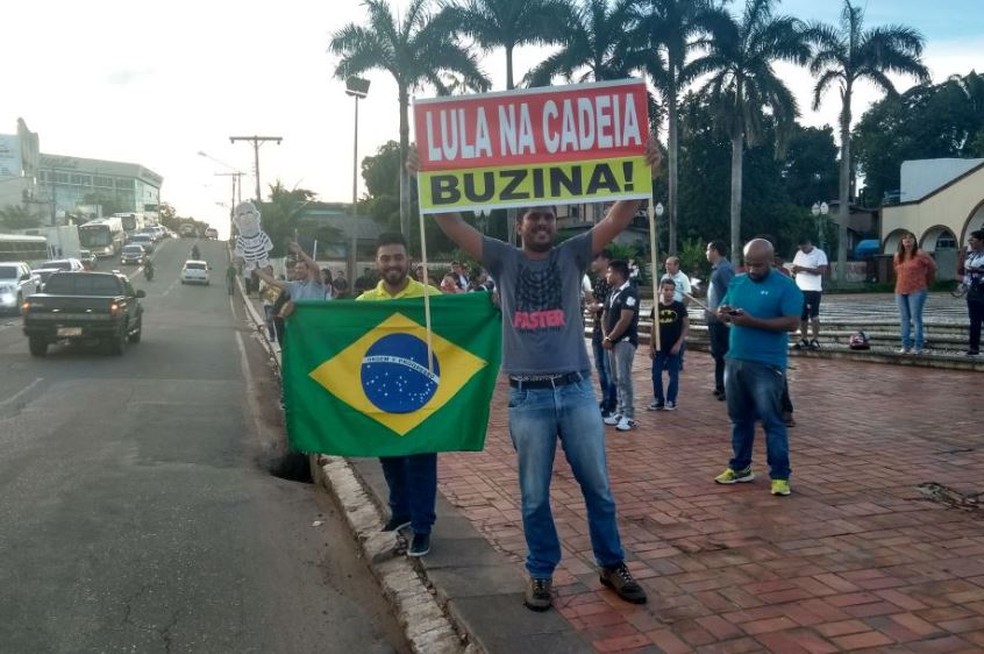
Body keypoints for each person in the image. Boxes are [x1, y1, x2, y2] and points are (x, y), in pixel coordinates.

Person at [410, 137, 659, 612]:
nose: (542, 222)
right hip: (528, 398)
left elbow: (618, 218)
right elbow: (450, 221)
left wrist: (641, 176)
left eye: (548, 216)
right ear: (519, 224)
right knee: (532, 495)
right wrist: (427, 176)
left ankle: (611, 563)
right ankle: (540, 572)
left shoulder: (573, 255)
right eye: (533, 217)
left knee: (600, 488)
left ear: (554, 222)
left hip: (577, 390)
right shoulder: (502, 258)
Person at [357, 232, 441, 557]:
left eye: (398, 257)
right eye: (385, 258)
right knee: (389, 458)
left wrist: (487, 303)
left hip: (422, 395)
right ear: (377, 263)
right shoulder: (364, 304)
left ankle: (422, 526)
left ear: (409, 261)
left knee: (422, 461)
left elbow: (462, 323)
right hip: (380, 395)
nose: (392, 264)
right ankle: (401, 512)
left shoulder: (430, 297)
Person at [713, 239, 803, 497]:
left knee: (772, 421)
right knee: (739, 419)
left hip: (767, 364)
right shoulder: (737, 281)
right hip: (735, 359)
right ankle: (740, 467)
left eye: (759, 265)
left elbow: (792, 323)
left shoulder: (786, 287)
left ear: (772, 261)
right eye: (748, 264)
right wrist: (723, 312)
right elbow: (726, 306)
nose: (752, 269)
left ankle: (780, 475)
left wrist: (753, 321)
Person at [601, 259, 640, 432]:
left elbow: (625, 319)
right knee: (616, 378)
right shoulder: (612, 292)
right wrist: (607, 337)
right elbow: (604, 316)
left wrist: (611, 338)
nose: (607, 275)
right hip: (612, 342)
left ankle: (629, 416)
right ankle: (619, 411)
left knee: (624, 378)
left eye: (609, 272)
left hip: (624, 342)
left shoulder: (629, 293)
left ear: (618, 274)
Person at [893, 231, 937, 354]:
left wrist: (927, 280)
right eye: (905, 238)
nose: (908, 240)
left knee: (916, 318)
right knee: (904, 319)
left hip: (917, 290)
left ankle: (918, 346)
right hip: (900, 290)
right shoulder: (897, 256)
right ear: (901, 242)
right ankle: (905, 345)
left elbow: (933, 266)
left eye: (910, 238)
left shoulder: (920, 254)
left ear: (914, 241)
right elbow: (897, 271)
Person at [648, 278, 688, 411]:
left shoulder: (679, 306)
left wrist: (679, 343)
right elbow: (653, 327)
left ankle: (671, 400)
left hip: (674, 346)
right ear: (661, 290)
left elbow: (686, 326)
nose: (669, 292)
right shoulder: (657, 307)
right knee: (656, 373)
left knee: (673, 374)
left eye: (671, 290)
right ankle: (659, 399)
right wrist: (651, 345)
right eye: (666, 289)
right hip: (659, 346)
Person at [588, 250, 617, 418]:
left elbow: (611, 304)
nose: (592, 263)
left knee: (608, 368)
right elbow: (598, 302)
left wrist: (597, 306)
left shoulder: (611, 280)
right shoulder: (598, 281)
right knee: (600, 367)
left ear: (605, 260)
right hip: (598, 328)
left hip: (608, 330)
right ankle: (606, 398)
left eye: (595, 259)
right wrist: (593, 306)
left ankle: (612, 402)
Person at [705, 241, 734, 400]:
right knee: (717, 353)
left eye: (708, 250)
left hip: (721, 320)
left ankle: (727, 388)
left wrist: (723, 310)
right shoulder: (717, 269)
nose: (706, 253)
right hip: (714, 319)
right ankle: (719, 385)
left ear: (715, 250)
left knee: (723, 353)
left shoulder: (724, 269)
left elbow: (732, 292)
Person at [791, 237, 829, 350]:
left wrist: (804, 268)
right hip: (800, 288)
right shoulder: (799, 254)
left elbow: (821, 271)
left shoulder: (819, 254)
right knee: (802, 315)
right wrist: (795, 270)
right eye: (800, 248)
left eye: (804, 247)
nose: (802, 250)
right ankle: (804, 338)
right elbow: (795, 268)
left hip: (813, 289)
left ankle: (815, 339)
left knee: (814, 314)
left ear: (809, 243)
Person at [660, 255, 691, 369]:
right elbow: (660, 293)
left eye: (669, 264)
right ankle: (665, 360)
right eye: (666, 264)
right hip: (664, 310)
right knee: (664, 334)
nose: (666, 266)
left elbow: (687, 295)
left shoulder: (683, 278)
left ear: (677, 265)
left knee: (678, 335)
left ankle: (678, 361)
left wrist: (682, 310)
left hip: (677, 311)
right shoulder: (664, 277)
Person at [960, 229, 984, 355]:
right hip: (973, 292)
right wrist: (964, 284)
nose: (970, 242)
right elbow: (967, 274)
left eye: (973, 239)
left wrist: (979, 271)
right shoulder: (971, 256)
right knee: (974, 321)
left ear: (981, 241)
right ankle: (973, 347)